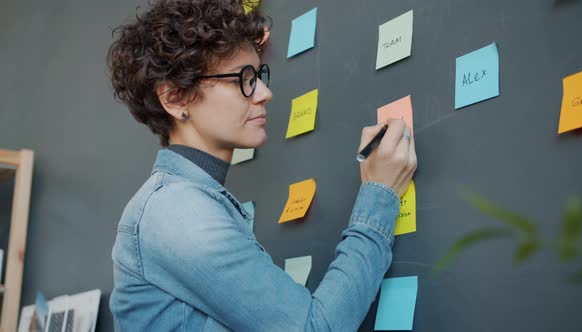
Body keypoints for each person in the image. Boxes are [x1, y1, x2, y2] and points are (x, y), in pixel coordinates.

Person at [107, 0, 417, 330]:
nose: (265, 93)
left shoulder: (188, 203)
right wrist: (379, 194)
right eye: (243, 79)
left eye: (258, 75)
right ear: (175, 98)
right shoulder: (176, 210)